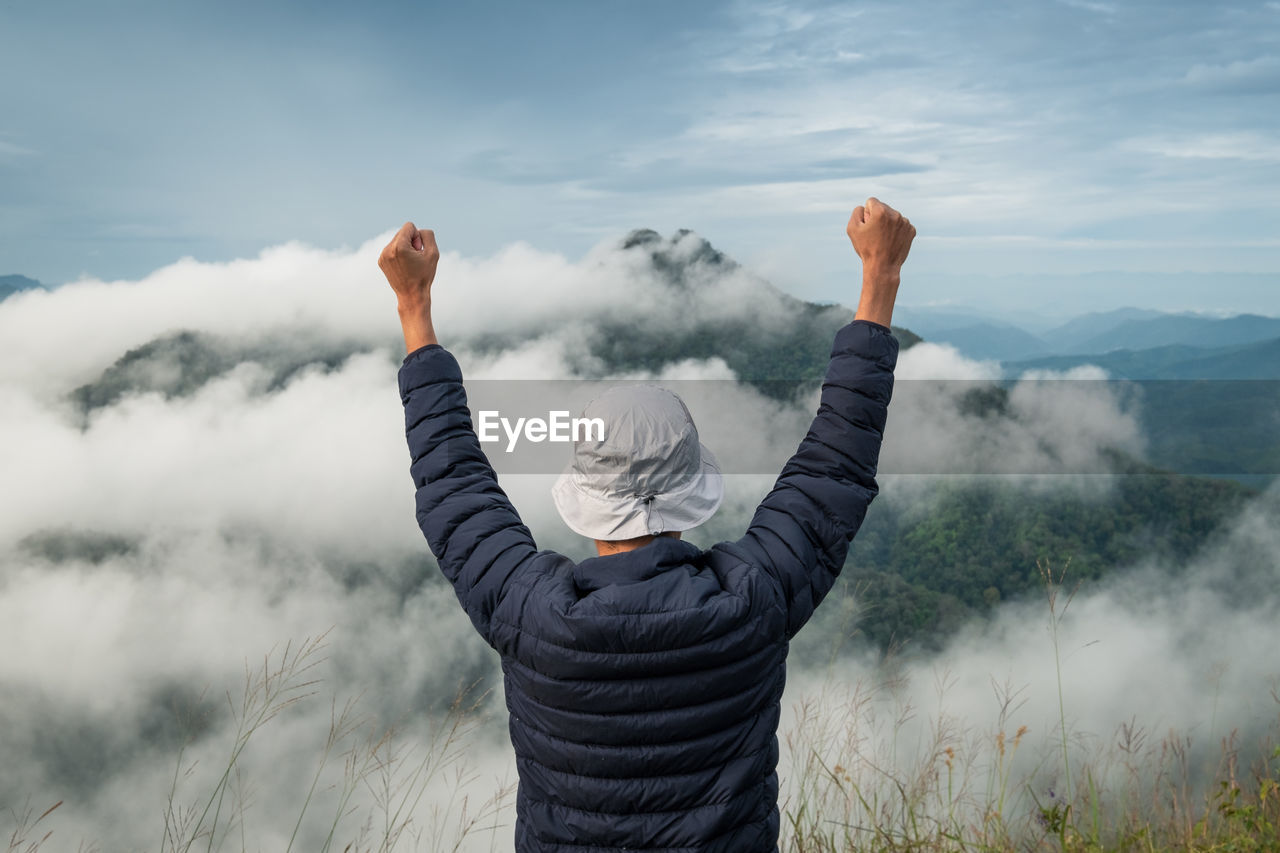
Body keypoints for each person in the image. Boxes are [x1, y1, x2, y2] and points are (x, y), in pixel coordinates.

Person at [378, 198, 914, 852]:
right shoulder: (752, 602)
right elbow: (836, 465)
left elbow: (453, 486)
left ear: (583, 494)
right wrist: (879, 275)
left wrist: (415, 306)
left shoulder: (532, 615)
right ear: (693, 489)